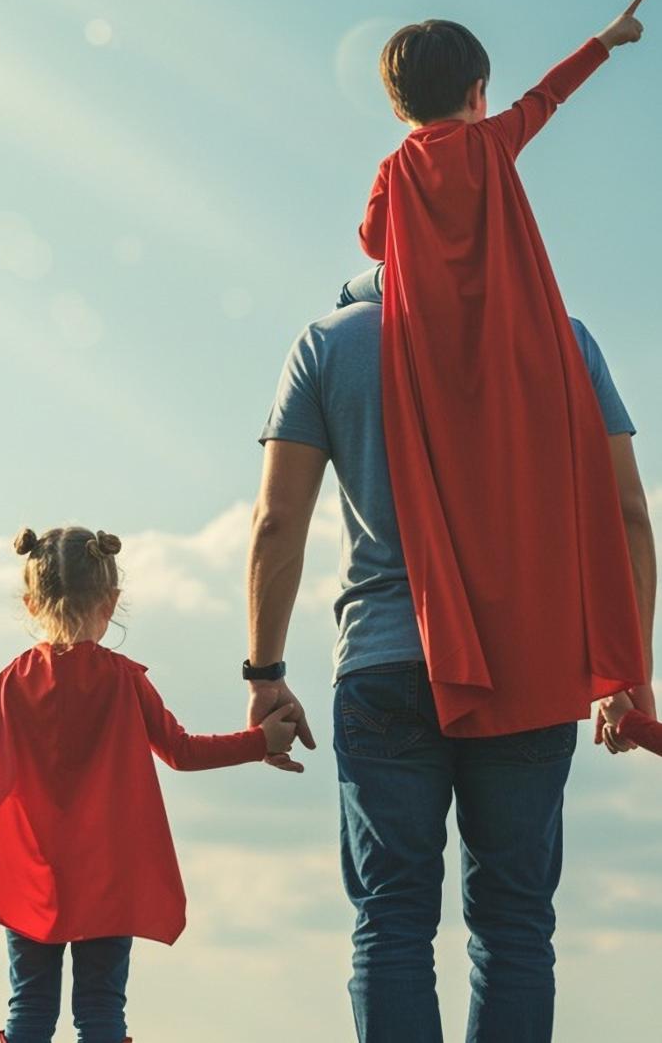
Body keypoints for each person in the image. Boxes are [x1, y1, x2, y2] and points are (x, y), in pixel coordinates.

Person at [246, 267, 656, 1042]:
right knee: (515, 924)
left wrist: (265, 673)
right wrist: (629, 669)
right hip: (530, 670)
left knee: (392, 919)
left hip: (384, 664)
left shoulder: (329, 344)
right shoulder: (565, 340)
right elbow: (629, 515)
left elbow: (276, 522)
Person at [358, 0, 648, 737]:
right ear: (478, 93)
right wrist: (605, 40)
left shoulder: (394, 168)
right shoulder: (493, 142)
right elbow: (547, 95)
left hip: (428, 359)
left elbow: (371, 244)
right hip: (516, 351)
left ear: (398, 107)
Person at [0, 525, 296, 1043]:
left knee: (29, 1007)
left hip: (35, 875)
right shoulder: (123, 680)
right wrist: (259, 740)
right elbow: (181, 753)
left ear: (30, 603)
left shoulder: (12, 681)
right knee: (100, 1010)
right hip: (110, 875)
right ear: (111, 602)